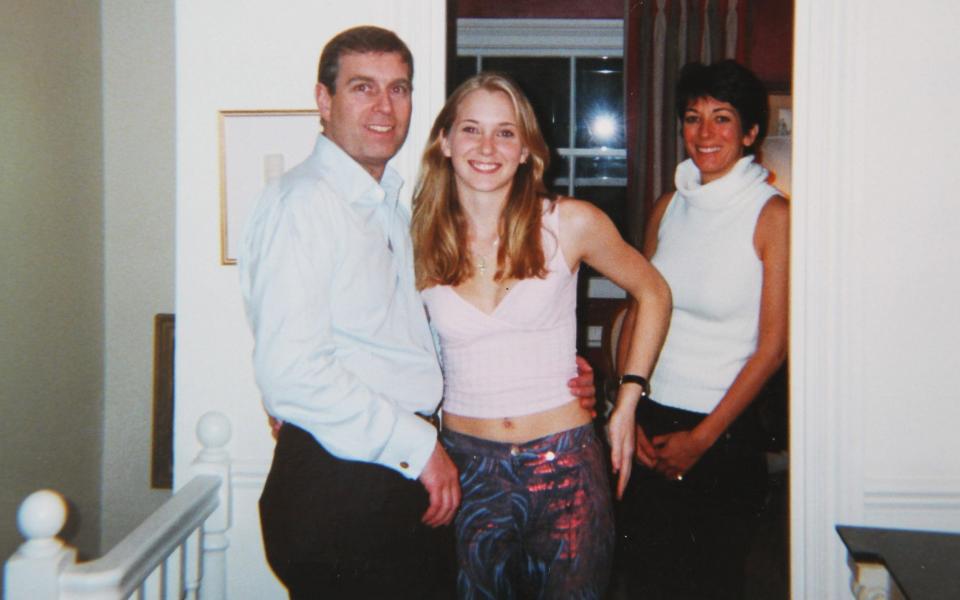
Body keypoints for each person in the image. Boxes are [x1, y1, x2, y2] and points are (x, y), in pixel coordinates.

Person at [239, 27, 596, 599]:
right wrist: (421, 447)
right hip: (346, 481)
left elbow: (410, 338)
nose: (384, 106)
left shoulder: (389, 208)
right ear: (323, 101)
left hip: (391, 474)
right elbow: (291, 372)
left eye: (399, 89)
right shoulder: (304, 203)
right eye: (362, 87)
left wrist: (560, 369)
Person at [411, 72, 672, 599]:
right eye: (471, 129)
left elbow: (654, 293)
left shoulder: (569, 223)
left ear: (528, 149)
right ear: (444, 141)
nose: (487, 147)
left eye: (506, 133)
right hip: (465, 467)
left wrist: (626, 401)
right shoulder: (413, 236)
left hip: (567, 466)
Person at [616, 59, 790, 599]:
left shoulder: (773, 215)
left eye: (722, 118)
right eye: (693, 118)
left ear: (750, 133)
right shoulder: (669, 205)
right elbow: (638, 310)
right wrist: (627, 409)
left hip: (723, 434)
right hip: (649, 420)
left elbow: (774, 347)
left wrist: (702, 440)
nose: (705, 133)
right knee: (645, 582)